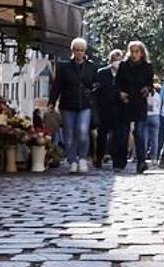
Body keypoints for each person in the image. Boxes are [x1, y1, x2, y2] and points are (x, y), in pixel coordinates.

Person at [47, 38, 96, 174]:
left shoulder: (91, 67)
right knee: (68, 134)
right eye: (77, 50)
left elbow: (96, 83)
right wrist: (52, 101)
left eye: (82, 50)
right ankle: (72, 160)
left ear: (85, 51)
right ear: (72, 51)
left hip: (85, 104)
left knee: (82, 130)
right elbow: (57, 85)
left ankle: (82, 158)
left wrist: (93, 89)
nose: (79, 53)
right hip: (68, 104)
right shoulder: (64, 67)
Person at [116, 41, 155, 173]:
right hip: (125, 102)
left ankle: (141, 162)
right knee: (122, 133)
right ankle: (120, 161)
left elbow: (150, 84)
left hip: (139, 102)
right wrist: (120, 93)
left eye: (137, 51)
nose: (134, 54)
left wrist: (147, 89)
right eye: (132, 51)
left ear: (142, 53)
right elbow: (117, 84)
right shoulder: (123, 65)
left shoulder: (147, 66)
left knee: (139, 133)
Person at [92, 48, 126, 169]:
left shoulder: (124, 73)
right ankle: (99, 158)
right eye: (114, 60)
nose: (117, 62)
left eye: (119, 60)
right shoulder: (102, 72)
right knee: (102, 135)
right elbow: (96, 90)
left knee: (117, 136)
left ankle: (116, 160)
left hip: (119, 109)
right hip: (104, 109)